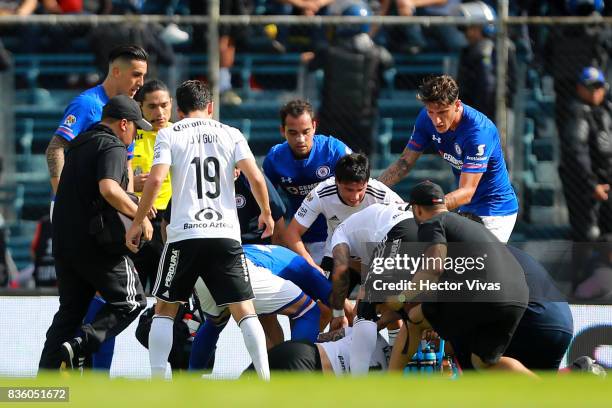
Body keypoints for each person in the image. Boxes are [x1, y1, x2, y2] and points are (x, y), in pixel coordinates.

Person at [125, 80, 273, 380]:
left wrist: (139, 219)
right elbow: (256, 177)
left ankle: (156, 382)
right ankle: (266, 379)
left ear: (179, 110)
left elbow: (155, 181)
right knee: (245, 311)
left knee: (165, 310)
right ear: (210, 107)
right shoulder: (231, 133)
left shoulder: (170, 133)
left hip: (185, 234)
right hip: (224, 233)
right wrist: (266, 213)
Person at [38, 95, 152, 371]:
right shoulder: (111, 144)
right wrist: (140, 217)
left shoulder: (79, 145)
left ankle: (43, 388)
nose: (135, 135)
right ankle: (80, 345)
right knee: (132, 300)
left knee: (69, 315)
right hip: (93, 245)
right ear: (123, 124)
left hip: (64, 244)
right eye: (136, 128)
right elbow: (109, 189)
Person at [385, 181, 532, 375]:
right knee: (483, 362)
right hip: (517, 295)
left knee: (414, 318)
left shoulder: (432, 223)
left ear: (417, 209)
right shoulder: (467, 224)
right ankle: (547, 395)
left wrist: (401, 298)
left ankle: (389, 382)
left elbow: (433, 268)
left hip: (484, 293)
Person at [378, 75, 519, 242]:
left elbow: (467, 192)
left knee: (475, 264)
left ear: (457, 105)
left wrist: (427, 207)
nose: (436, 120)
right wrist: (374, 191)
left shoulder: (479, 133)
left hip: (495, 211)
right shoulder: (425, 118)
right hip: (465, 208)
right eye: (431, 112)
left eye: (443, 112)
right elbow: (404, 163)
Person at [46, 44, 148, 200]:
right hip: (77, 208)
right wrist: (64, 199)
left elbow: (127, 163)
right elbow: (55, 149)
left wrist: (129, 203)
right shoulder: (87, 104)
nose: (141, 82)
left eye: (143, 76)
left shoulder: (129, 109)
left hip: (102, 208)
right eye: (136, 75)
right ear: (116, 72)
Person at [329, 202, 419, 375]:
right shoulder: (375, 216)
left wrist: (338, 315)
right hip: (423, 229)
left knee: (365, 312)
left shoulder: (339, 233)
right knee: (410, 305)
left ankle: (359, 384)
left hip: (399, 233)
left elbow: (340, 270)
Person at [188, 256, 321, 370]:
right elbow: (329, 302)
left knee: (216, 321)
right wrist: (339, 316)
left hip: (204, 262)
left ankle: (192, 381)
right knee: (309, 311)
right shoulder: (311, 274)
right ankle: (292, 374)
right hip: (239, 263)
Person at [263, 99, 352, 265]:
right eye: (293, 133)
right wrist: (283, 238)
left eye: (306, 131)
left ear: (314, 127)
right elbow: (266, 201)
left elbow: (360, 184)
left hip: (339, 236)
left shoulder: (334, 151)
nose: (301, 139)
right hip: (299, 240)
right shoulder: (275, 159)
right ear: (282, 131)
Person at [286, 153, 402, 275]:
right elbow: (292, 232)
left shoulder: (382, 195)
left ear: (367, 182)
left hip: (374, 257)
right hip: (337, 255)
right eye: (349, 189)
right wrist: (311, 264)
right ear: (337, 181)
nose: (355, 197)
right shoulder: (321, 193)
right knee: (325, 293)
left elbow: (408, 221)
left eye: (360, 189)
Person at [305, 1, 393, 156]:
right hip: (363, 119)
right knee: (361, 164)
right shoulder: (377, 53)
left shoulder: (329, 51)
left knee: (329, 158)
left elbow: (311, 64)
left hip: (332, 118)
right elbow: (388, 66)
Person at [559, 67, 612, 243]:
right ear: (580, 88)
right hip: (586, 189)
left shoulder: (606, 110)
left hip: (605, 184)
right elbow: (577, 153)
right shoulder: (578, 113)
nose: (595, 92)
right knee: (589, 237)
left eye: (599, 87)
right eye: (590, 87)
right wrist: (592, 185)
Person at [131, 79, 173, 290]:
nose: (160, 112)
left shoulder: (180, 135)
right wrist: (130, 185)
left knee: (167, 293)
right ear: (140, 107)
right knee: (131, 295)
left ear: (171, 104)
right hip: (137, 220)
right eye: (152, 106)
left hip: (171, 223)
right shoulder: (129, 136)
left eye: (164, 105)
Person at [247, 326, 391, 375]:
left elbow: (322, 338)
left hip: (297, 349)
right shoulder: (389, 384)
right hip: (311, 370)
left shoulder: (373, 334)